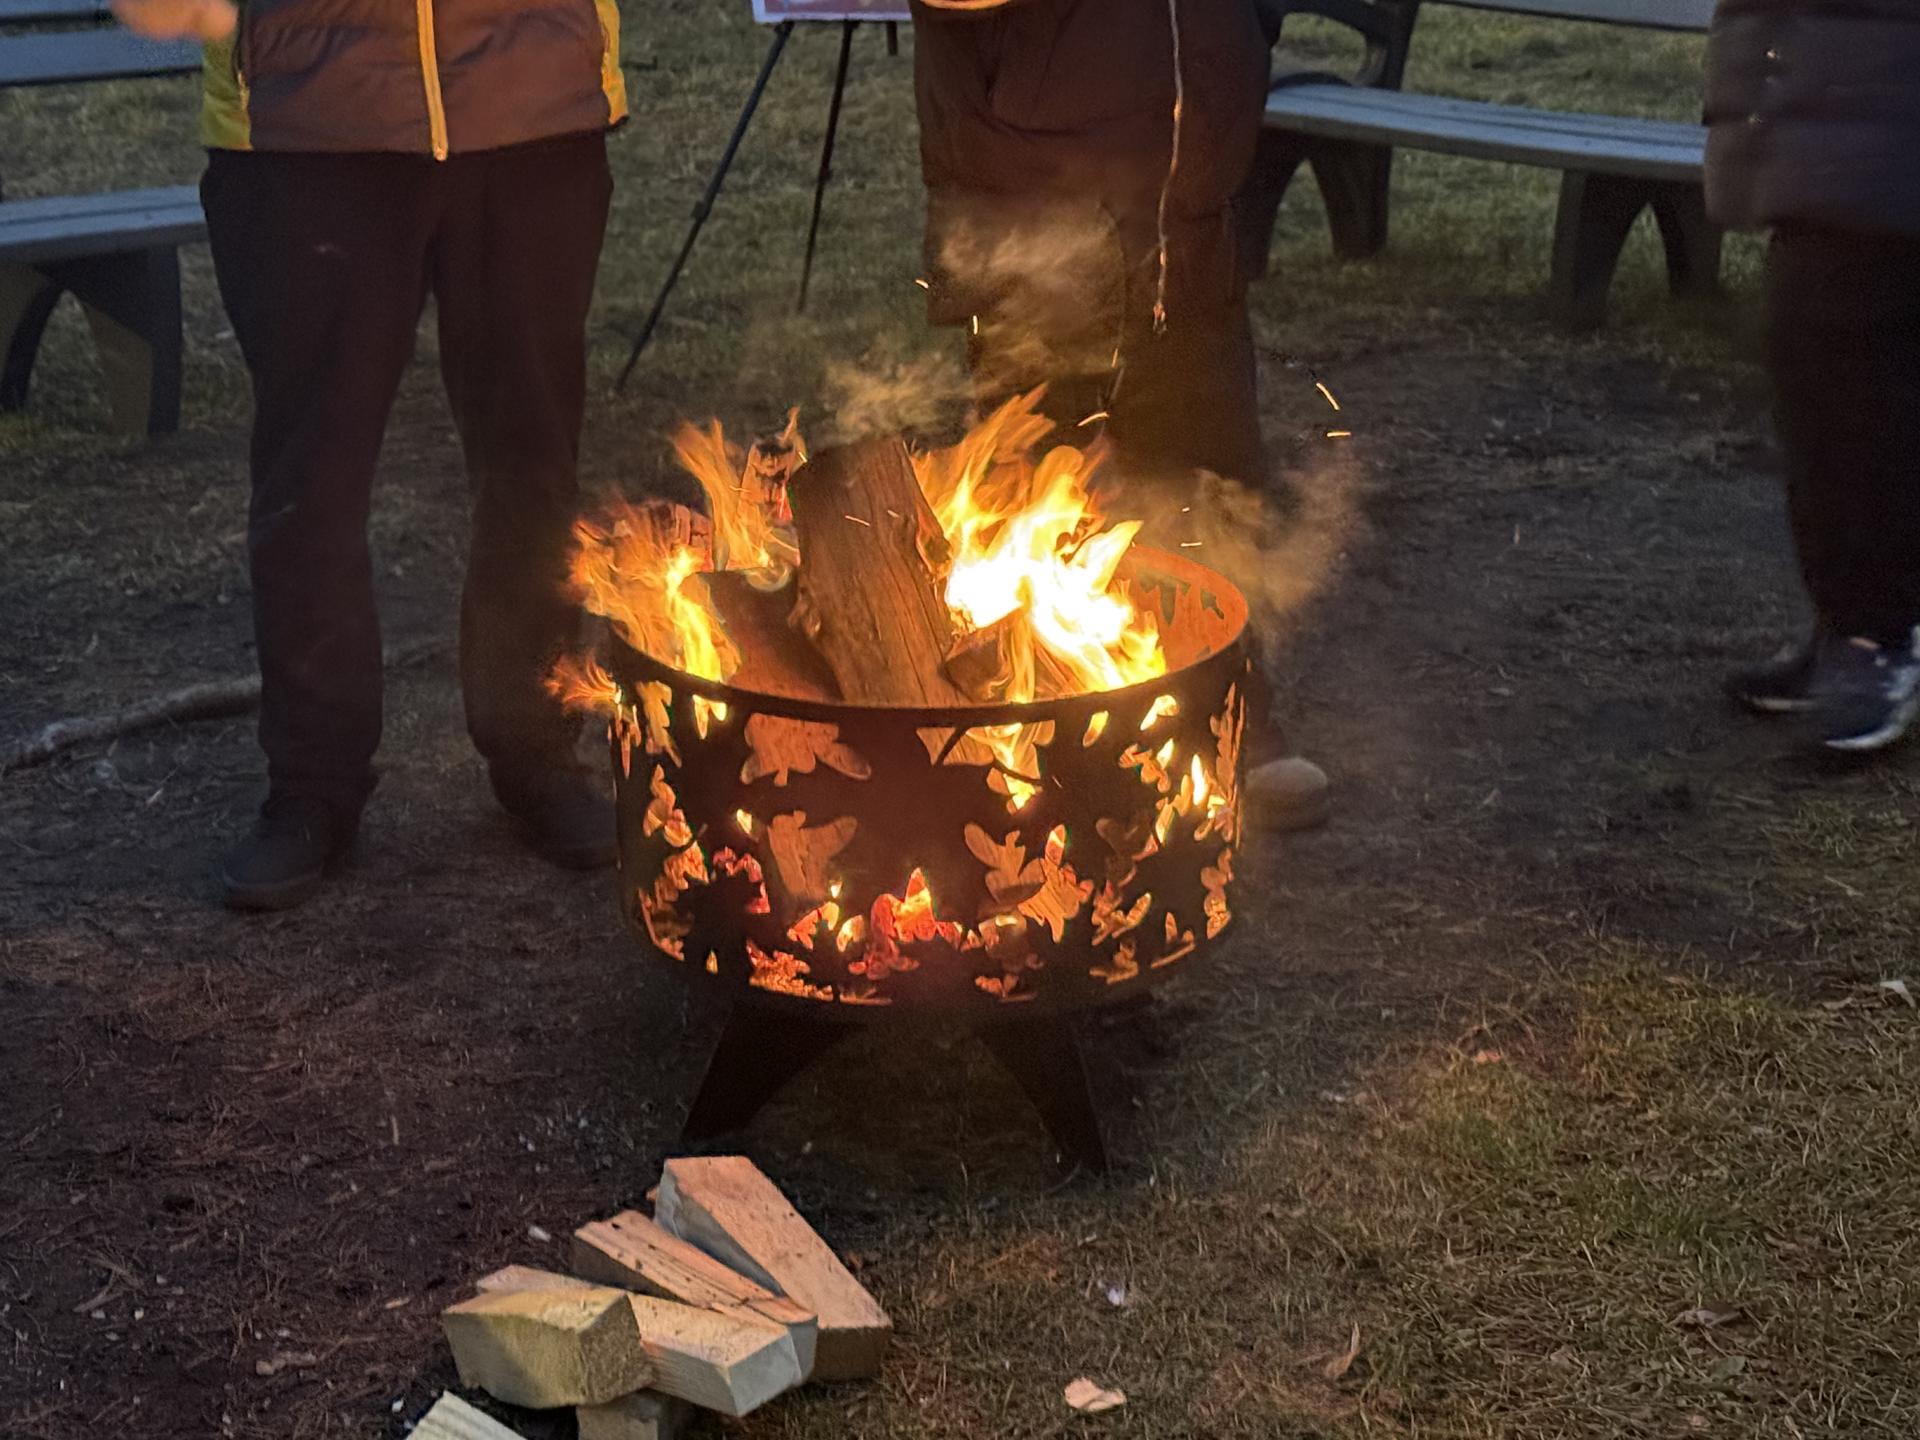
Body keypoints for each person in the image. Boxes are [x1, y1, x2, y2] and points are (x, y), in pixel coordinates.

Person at [110, 0, 630, 908]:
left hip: (533, 97)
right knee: (311, 477)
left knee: (534, 461)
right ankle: (312, 785)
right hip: (307, 117)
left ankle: (539, 747)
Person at [909, 0, 1329, 829]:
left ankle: (1226, 709)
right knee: (1036, 493)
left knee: (1211, 471)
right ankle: (1024, 736)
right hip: (1036, 200)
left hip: (1188, 201)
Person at [1707, 0, 1920, 753]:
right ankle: (1851, 624)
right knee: (1819, 391)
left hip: (1886, 127)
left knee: (1864, 394)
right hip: (1824, 125)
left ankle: (1876, 637)